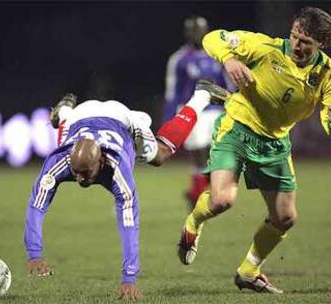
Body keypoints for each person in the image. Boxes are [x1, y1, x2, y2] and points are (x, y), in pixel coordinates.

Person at [177, 7, 331, 294]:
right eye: (295, 37)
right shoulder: (265, 47)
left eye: (306, 42)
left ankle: (249, 271)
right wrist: (230, 58)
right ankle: (193, 222)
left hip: (274, 143)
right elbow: (213, 38)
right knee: (222, 200)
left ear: (320, 44)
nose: (297, 45)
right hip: (237, 127)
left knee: (285, 218)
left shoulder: (328, 75)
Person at [24, 81, 231, 301]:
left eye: (86, 172)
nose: (79, 179)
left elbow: (129, 223)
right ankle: (66, 111)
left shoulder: (118, 172)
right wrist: (34, 254)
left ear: (101, 161)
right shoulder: (60, 162)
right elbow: (36, 205)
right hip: (81, 117)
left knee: (159, 155)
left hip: (121, 118)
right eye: (76, 171)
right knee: (67, 142)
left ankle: (201, 96)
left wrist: (129, 278)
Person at [163, 16, 235, 207]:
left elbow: (228, 85)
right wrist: (169, 119)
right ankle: (200, 193)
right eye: (191, 30)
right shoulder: (178, 59)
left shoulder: (218, 56)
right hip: (192, 111)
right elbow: (172, 91)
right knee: (198, 153)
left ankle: (201, 192)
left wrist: (234, 107)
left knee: (214, 153)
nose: (195, 33)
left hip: (215, 110)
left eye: (199, 29)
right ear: (186, 33)